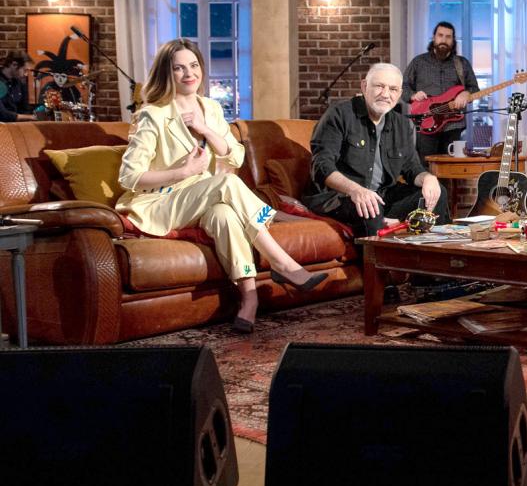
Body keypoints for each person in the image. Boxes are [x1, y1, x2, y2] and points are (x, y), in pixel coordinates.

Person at [116, 40, 327, 335]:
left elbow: (235, 156)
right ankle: (282, 262)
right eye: (179, 68)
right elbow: (129, 176)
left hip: (204, 196)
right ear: (167, 73)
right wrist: (182, 172)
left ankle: (249, 299)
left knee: (224, 215)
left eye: (193, 65)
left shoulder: (211, 108)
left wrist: (205, 129)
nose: (189, 73)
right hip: (160, 202)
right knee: (227, 182)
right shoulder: (152, 115)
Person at [306, 62, 449, 240]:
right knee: (370, 207)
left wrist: (428, 178)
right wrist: (356, 190)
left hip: (382, 196)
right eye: (379, 86)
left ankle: (433, 254)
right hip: (341, 197)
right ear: (364, 86)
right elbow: (321, 166)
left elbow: (412, 168)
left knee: (437, 192)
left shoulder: (402, 124)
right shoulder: (339, 114)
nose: (386, 94)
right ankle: (378, 257)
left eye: (393, 89)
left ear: (399, 94)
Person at [404, 21, 480, 162]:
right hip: (426, 123)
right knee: (425, 165)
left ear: (453, 40)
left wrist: (466, 93)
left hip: (453, 125)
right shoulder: (418, 62)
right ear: (434, 38)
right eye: (440, 35)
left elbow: (474, 88)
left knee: (451, 168)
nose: (444, 40)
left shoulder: (462, 63)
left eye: (448, 37)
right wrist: (413, 95)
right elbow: (403, 87)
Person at [0, 51, 35, 122]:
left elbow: (26, 109)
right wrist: (31, 117)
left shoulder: (19, 83)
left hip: (18, 126)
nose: (26, 74)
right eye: (25, 70)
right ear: (14, 64)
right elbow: (2, 114)